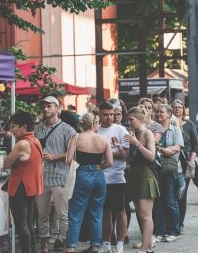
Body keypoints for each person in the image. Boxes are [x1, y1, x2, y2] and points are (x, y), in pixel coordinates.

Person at [65, 113, 113, 253]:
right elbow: (109, 162)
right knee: (96, 213)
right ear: (95, 123)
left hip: (81, 174)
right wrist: (98, 167)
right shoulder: (103, 139)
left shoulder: (76, 137)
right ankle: (95, 246)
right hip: (99, 176)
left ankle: (71, 247)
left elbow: (68, 160)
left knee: (75, 214)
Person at [34, 96, 76, 252]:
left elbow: (72, 155)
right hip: (41, 176)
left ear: (58, 108)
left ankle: (65, 245)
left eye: (49, 106)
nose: (45, 109)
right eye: (44, 106)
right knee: (42, 214)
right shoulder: (38, 129)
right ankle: (44, 245)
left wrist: (54, 156)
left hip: (60, 176)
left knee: (62, 214)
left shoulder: (68, 129)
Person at [4, 112, 43, 253]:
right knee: (28, 223)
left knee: (21, 224)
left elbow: (6, 163)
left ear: (24, 127)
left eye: (14, 126)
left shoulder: (22, 143)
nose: (11, 130)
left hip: (20, 187)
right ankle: (33, 250)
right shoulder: (35, 141)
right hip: (30, 187)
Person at [96, 102, 129, 253]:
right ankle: (107, 243)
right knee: (105, 212)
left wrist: (107, 154)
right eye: (106, 114)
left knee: (120, 210)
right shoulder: (95, 131)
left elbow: (126, 155)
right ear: (99, 114)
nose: (109, 117)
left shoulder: (121, 129)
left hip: (117, 177)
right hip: (100, 177)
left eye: (111, 114)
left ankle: (120, 244)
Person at [125, 107, 158, 253]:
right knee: (140, 214)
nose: (129, 122)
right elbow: (131, 158)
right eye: (128, 120)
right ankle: (148, 246)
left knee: (145, 215)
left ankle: (145, 249)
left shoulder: (147, 133)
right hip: (135, 175)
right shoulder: (134, 134)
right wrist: (122, 148)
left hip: (145, 175)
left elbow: (151, 156)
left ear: (139, 118)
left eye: (131, 119)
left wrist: (137, 144)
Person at [155, 104, 184, 242]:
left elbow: (177, 147)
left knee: (171, 201)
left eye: (161, 112)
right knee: (159, 202)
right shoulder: (153, 130)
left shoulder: (175, 130)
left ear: (169, 114)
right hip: (156, 170)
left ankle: (174, 230)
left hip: (171, 171)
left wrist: (162, 150)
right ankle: (160, 231)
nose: (158, 114)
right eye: (157, 112)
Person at [176, 100, 198, 233]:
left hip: (186, 162)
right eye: (174, 107)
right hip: (172, 163)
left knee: (182, 193)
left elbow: (196, 144)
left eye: (179, 107)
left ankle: (180, 223)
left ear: (183, 109)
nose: (177, 109)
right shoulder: (168, 124)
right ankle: (172, 222)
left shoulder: (189, 124)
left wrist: (192, 158)